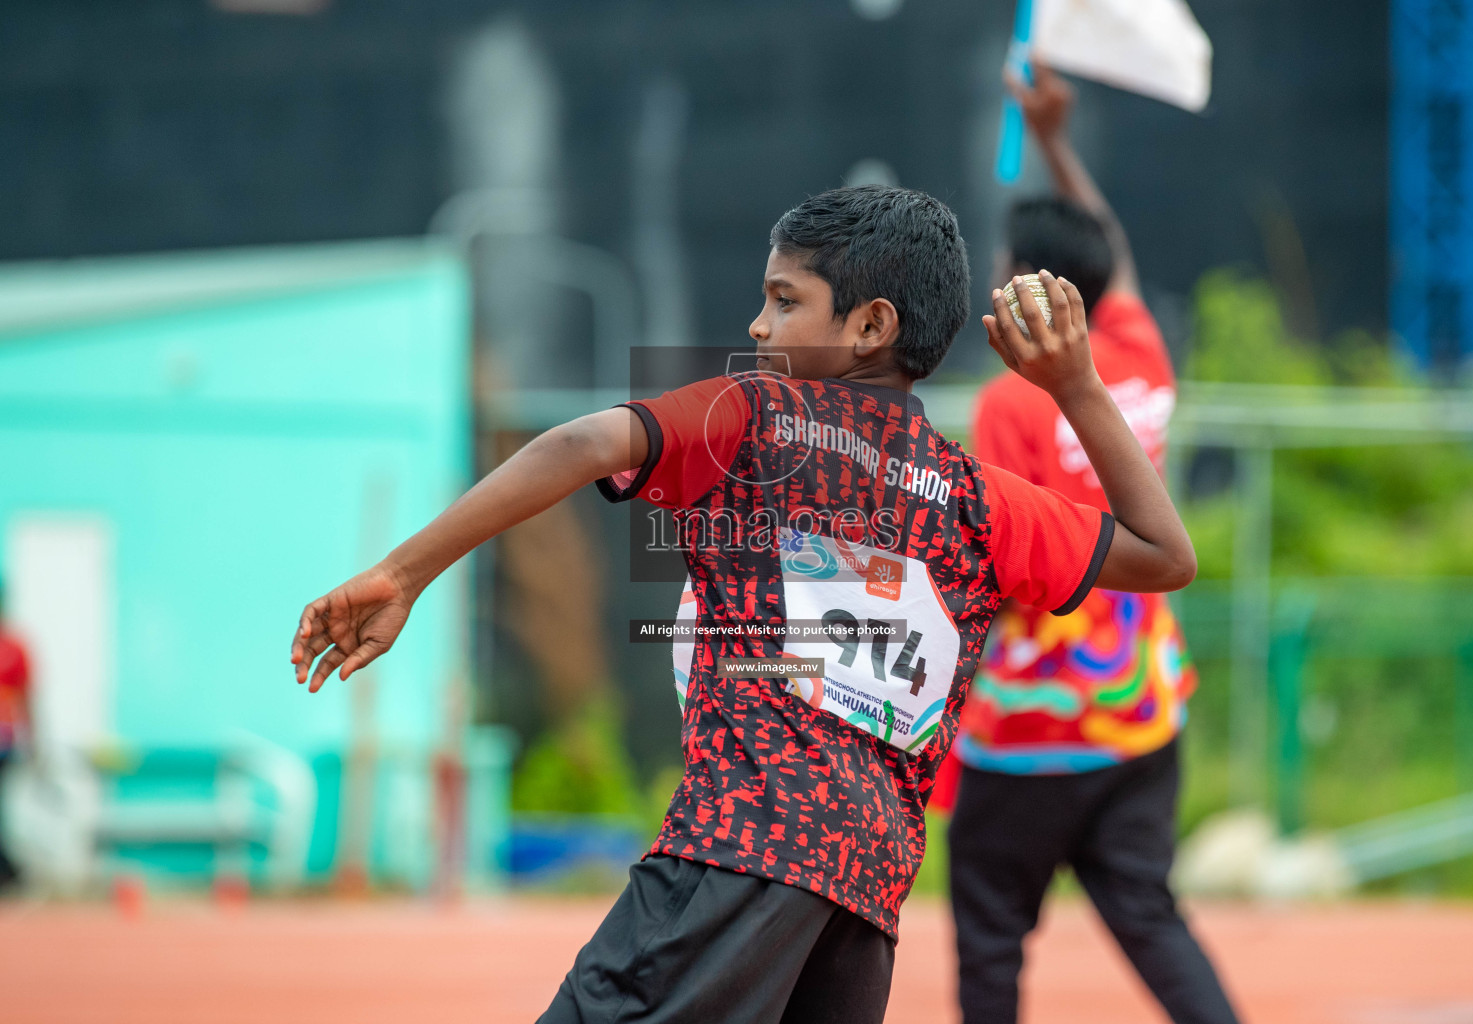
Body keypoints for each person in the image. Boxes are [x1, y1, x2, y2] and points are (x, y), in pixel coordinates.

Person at [290, 184, 1197, 1024]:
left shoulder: (755, 416)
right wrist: (1076, 386)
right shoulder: (976, 496)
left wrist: (405, 573)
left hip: (741, 842)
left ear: (871, 324)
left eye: (785, 300)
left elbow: (583, 442)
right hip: (865, 886)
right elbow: (1164, 555)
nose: (758, 325)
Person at [940, 64, 1241, 1024]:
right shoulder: (1142, 358)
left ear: (1024, 287)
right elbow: (1109, 248)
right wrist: (1059, 144)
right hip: (1141, 700)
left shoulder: (1006, 402)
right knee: (1150, 916)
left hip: (1033, 723)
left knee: (990, 937)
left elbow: (1014, 557)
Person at [0, 583, 32, 891]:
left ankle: (6, 868)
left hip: (4, 738)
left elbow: (26, 696)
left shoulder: (14, 647)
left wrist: (32, 739)